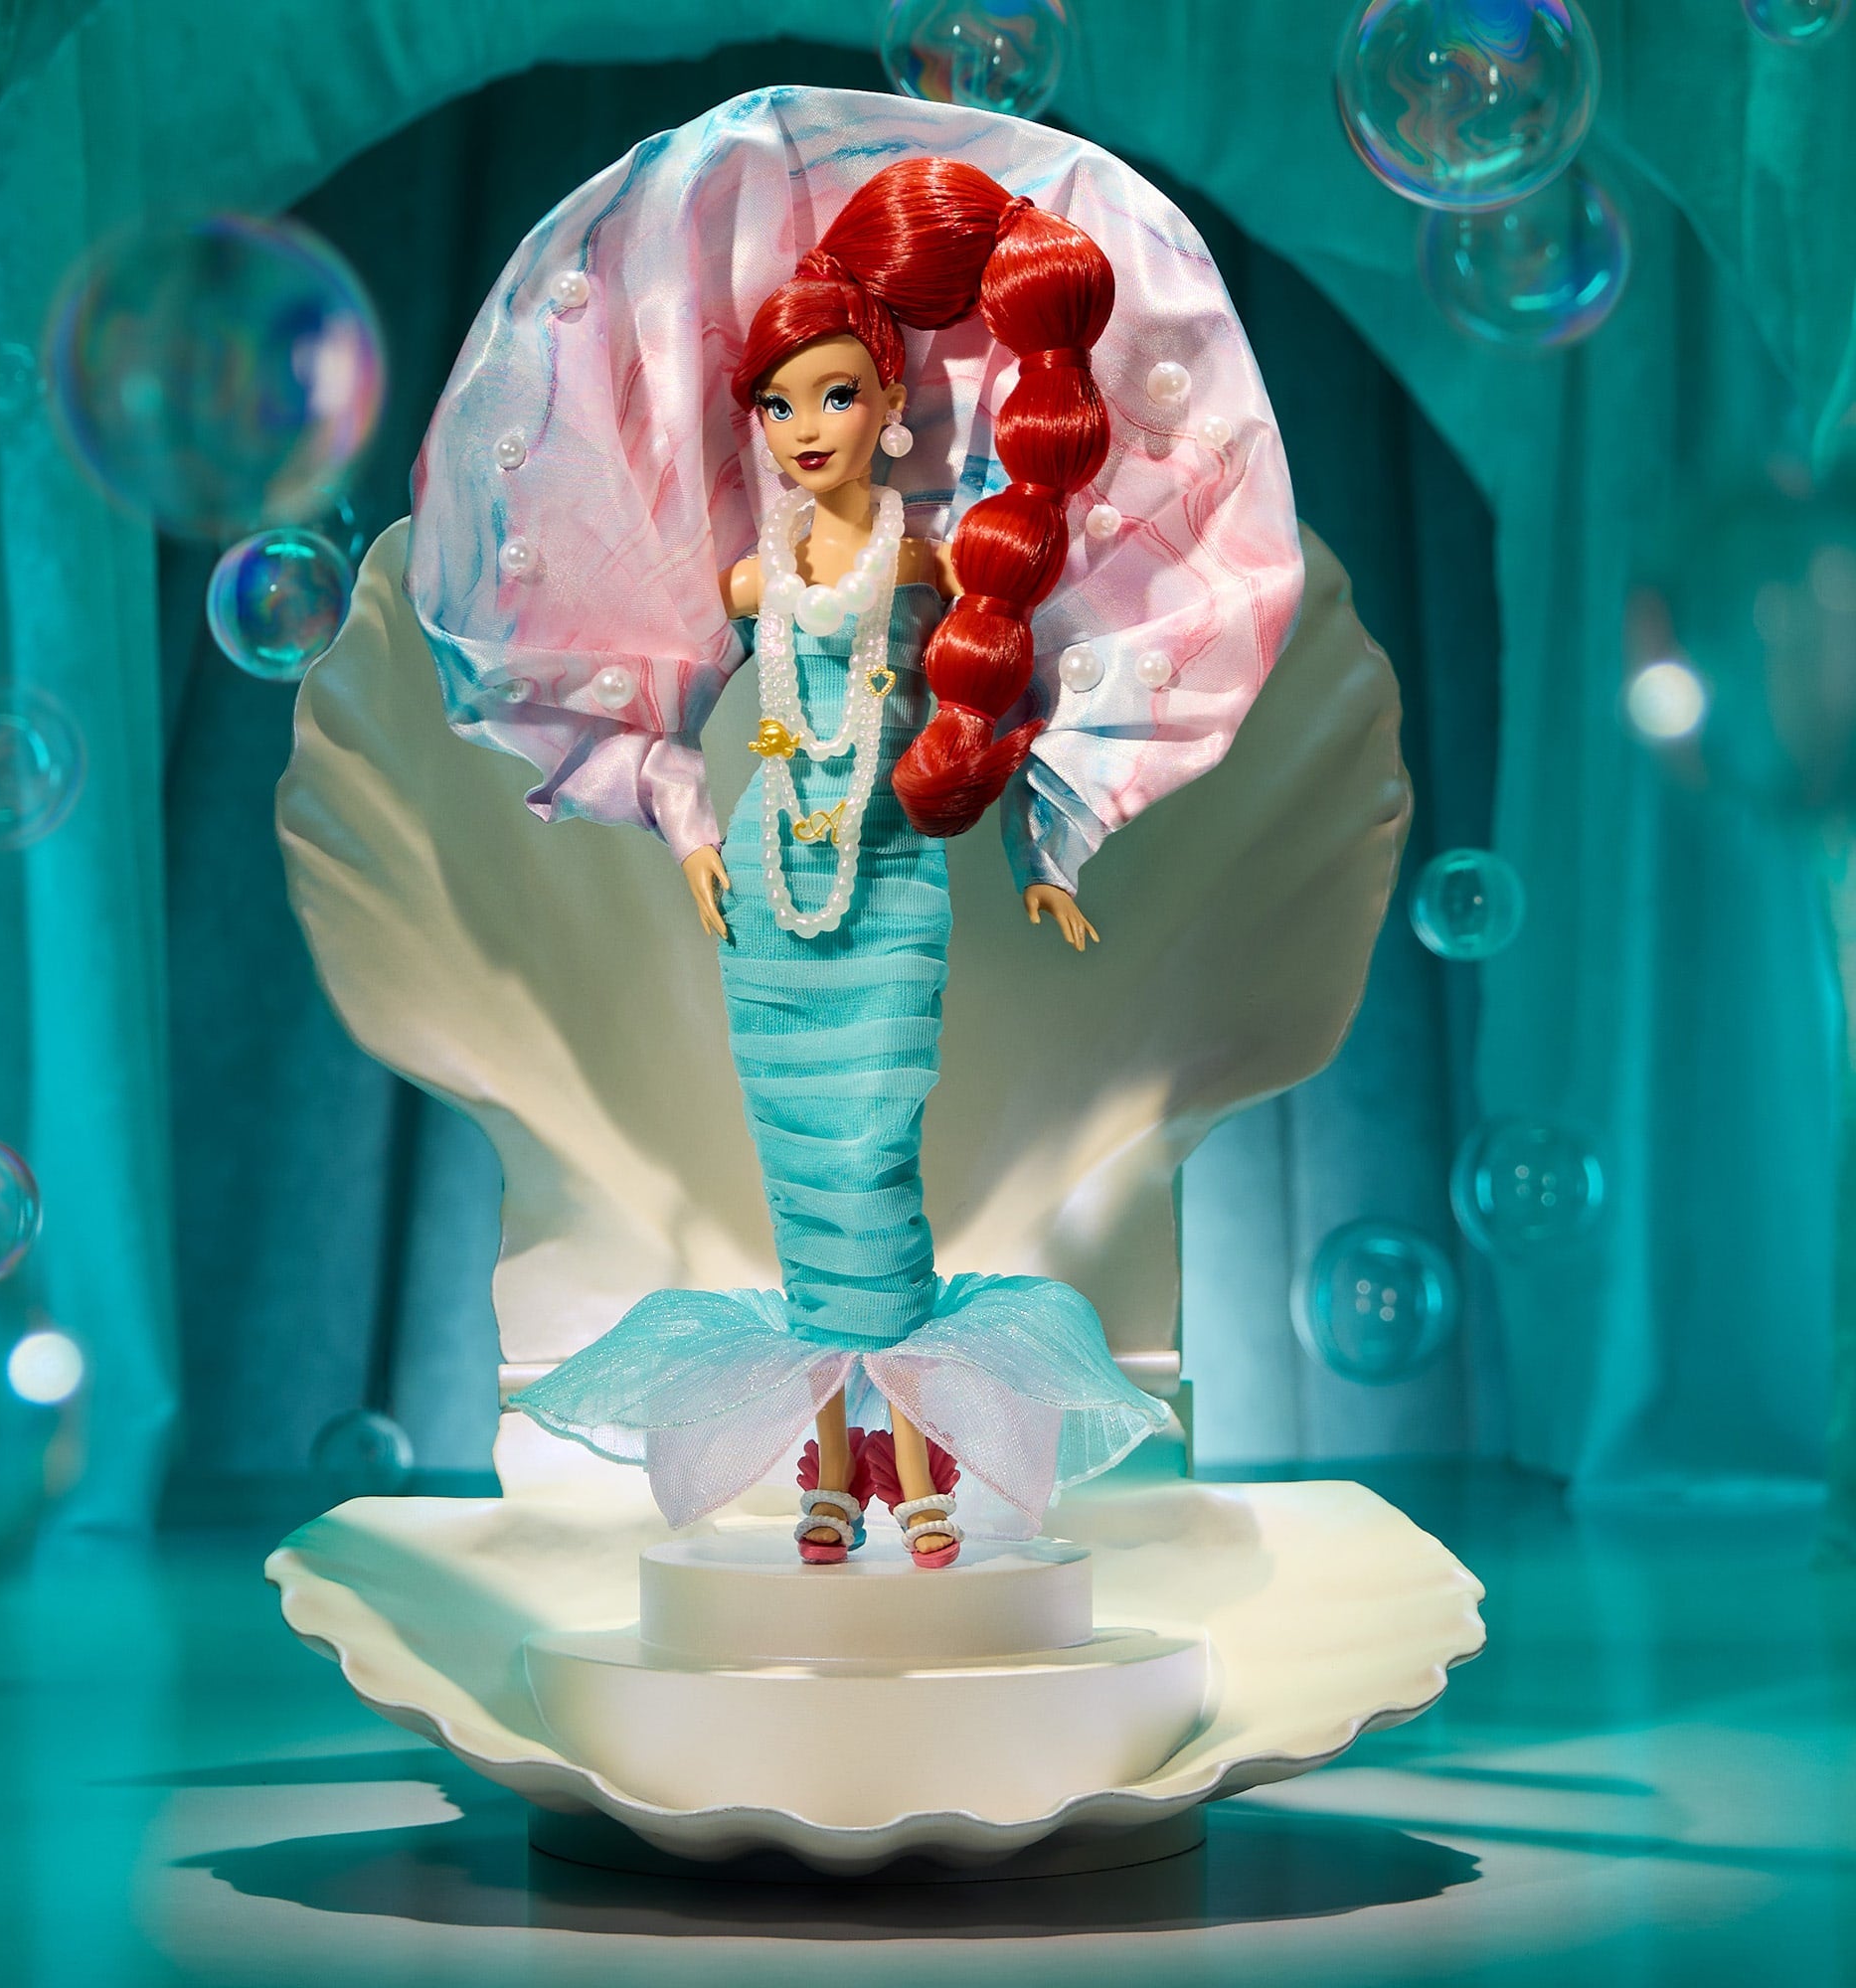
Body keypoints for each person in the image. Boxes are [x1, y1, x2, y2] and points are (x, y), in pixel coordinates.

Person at [405, 94, 1305, 1569]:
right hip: (772, 903)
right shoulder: (747, 585)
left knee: (876, 1185)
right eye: (776, 406)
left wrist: (1043, 850)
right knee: (805, 1211)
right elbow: (666, 708)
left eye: (831, 397)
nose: (803, 430)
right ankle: (833, 1472)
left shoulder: (940, 565)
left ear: (892, 407)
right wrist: (692, 833)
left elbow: (1008, 686)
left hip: (887, 895)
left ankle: (922, 1464)